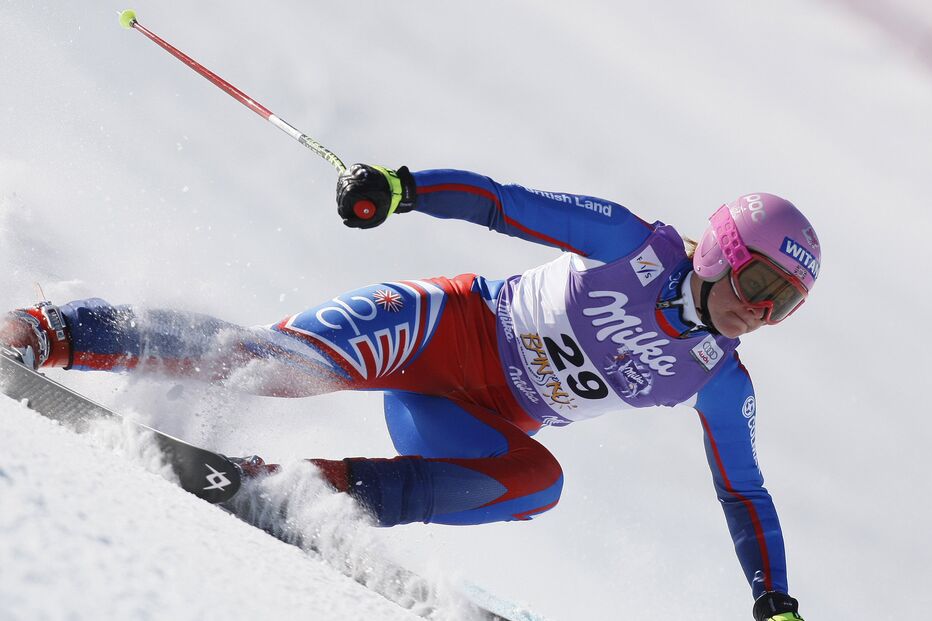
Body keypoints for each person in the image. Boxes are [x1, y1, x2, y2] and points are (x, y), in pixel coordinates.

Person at [0, 164, 819, 621]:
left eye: (783, 303)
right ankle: (52, 329)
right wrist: (402, 188)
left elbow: (744, 492)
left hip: (466, 416)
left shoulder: (718, 377)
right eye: (759, 282)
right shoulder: (629, 243)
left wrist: (773, 599)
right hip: (438, 328)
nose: (760, 310)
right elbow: (505, 206)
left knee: (539, 483)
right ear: (720, 251)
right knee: (268, 361)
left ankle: (282, 488)